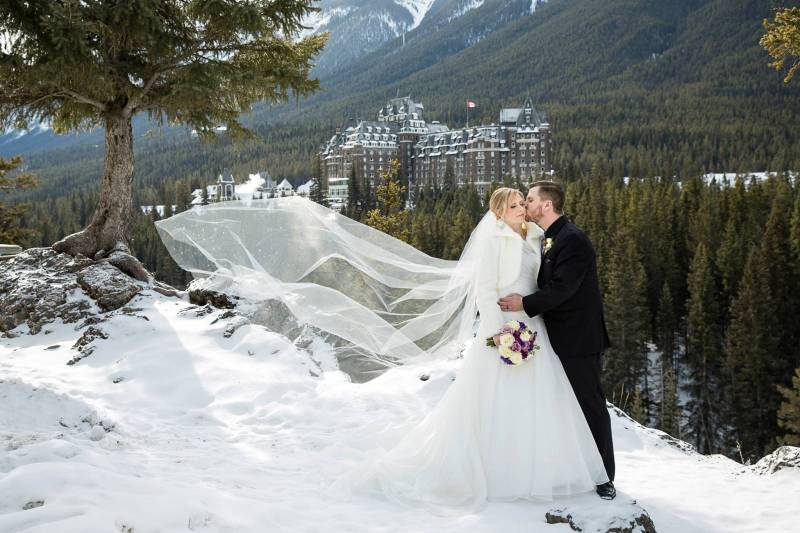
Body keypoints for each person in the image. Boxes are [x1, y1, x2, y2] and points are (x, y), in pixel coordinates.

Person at [347, 188, 609, 510]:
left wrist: (527, 312)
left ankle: (551, 469)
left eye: (523, 203)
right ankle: (499, 472)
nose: (521, 208)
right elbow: (486, 292)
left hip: (535, 327)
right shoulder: (493, 242)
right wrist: (500, 335)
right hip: (506, 329)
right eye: (514, 205)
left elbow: (553, 283)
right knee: (498, 404)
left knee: (542, 403)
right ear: (498, 212)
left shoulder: (536, 236)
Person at [498, 181, 616, 500]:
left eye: (531, 199)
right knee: (562, 407)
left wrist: (524, 304)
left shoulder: (572, 240)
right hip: (553, 336)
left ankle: (605, 477)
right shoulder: (548, 238)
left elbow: (562, 289)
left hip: (578, 339)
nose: (527, 204)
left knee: (589, 405)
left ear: (546, 205)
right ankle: (573, 469)